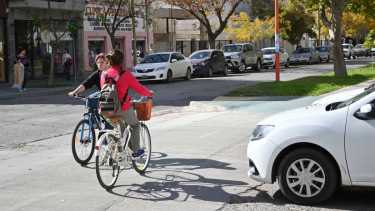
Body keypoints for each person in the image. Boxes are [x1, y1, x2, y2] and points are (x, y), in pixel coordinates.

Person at [102, 49, 153, 158]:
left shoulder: (105, 74)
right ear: (121, 62)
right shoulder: (126, 74)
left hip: (106, 108)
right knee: (135, 125)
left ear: (110, 61)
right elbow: (138, 88)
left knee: (120, 129)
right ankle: (135, 151)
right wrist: (149, 93)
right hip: (122, 108)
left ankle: (115, 151)